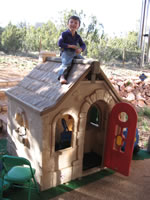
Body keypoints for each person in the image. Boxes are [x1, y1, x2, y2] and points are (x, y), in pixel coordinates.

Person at [58, 15, 86, 84]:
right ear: (68, 24)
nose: (73, 24)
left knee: (83, 61)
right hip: (66, 52)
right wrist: (70, 46)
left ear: (78, 26)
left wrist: (80, 49)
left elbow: (83, 45)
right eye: (71, 22)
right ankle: (62, 76)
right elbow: (60, 43)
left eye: (76, 23)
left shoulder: (78, 36)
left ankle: (84, 76)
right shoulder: (64, 34)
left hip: (75, 53)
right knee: (66, 63)